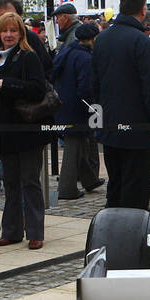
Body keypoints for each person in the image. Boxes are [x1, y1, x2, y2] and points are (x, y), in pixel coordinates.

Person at [92, 0, 150, 210]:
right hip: (138, 127)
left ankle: (112, 232)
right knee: (135, 187)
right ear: (143, 9)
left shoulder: (102, 39)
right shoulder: (143, 43)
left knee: (115, 184)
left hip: (109, 124)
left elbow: (94, 84)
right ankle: (131, 236)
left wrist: (97, 120)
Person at [0, 13, 49, 250]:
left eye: (13, 31)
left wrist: (7, 85)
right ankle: (12, 230)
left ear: (20, 33)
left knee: (30, 181)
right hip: (4, 130)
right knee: (9, 182)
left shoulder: (28, 57)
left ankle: (35, 231)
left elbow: (38, 88)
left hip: (26, 130)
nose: (8, 35)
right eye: (4, 31)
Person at [53, 21, 101, 200]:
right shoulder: (86, 58)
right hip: (78, 108)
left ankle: (90, 179)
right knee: (74, 147)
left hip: (63, 105)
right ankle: (67, 188)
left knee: (79, 143)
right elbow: (85, 88)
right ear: (92, 39)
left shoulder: (66, 52)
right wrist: (93, 109)